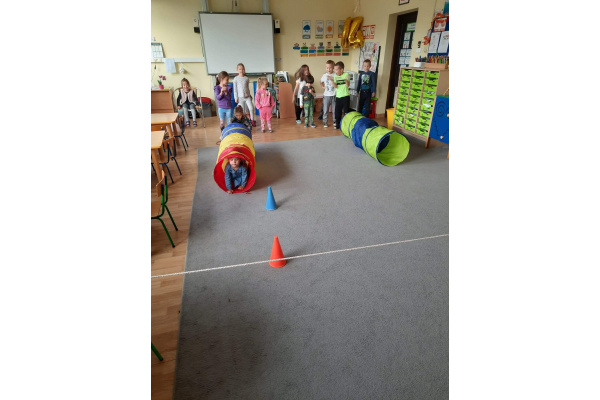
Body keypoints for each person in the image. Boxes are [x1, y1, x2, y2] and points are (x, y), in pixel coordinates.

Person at [330, 61, 350, 130]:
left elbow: (348, 85)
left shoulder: (346, 74)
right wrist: (332, 81)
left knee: (346, 111)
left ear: (341, 70)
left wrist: (345, 80)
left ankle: (346, 125)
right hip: (338, 96)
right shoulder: (335, 76)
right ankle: (337, 124)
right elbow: (335, 86)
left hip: (345, 96)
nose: (335, 71)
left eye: (336, 69)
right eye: (334, 69)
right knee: (337, 111)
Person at [320, 60, 336, 128]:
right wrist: (323, 86)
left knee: (334, 110)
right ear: (325, 68)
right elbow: (321, 81)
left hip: (334, 95)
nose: (328, 69)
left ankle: (335, 121)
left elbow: (337, 84)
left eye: (330, 68)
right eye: (327, 68)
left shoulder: (335, 75)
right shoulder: (324, 75)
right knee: (325, 110)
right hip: (326, 95)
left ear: (333, 68)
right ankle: (325, 122)